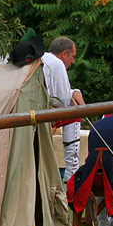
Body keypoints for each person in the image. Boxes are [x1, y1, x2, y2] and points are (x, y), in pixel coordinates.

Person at [42, 36, 84, 182]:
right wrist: (74, 94)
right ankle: (72, 172)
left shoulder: (43, 59)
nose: (72, 61)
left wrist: (73, 92)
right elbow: (63, 101)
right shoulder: (56, 64)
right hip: (44, 113)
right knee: (74, 115)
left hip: (39, 109)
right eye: (72, 56)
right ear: (64, 54)